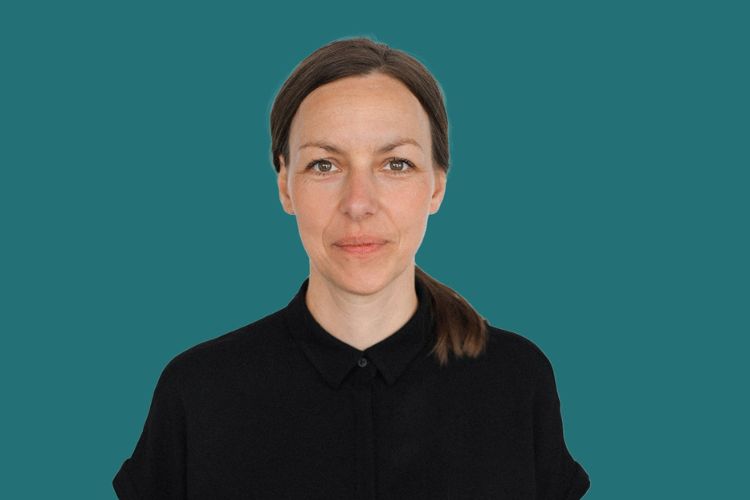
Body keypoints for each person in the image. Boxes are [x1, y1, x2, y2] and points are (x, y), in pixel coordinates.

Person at [113, 36, 590, 499]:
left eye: (396, 164)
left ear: (438, 185)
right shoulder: (198, 391)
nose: (358, 203)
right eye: (324, 165)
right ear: (284, 185)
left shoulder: (515, 380)